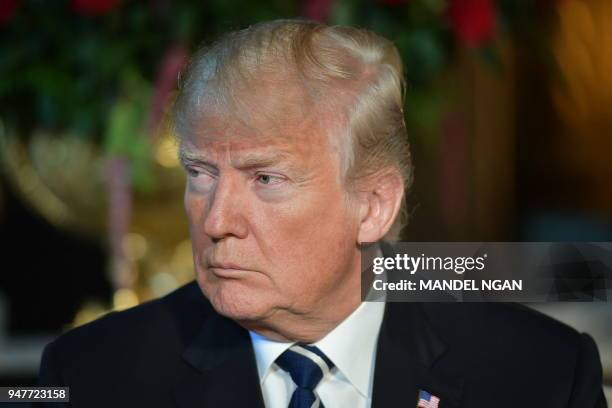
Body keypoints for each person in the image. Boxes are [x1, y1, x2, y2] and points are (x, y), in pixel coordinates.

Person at [38, 20, 607, 407]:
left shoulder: (542, 376)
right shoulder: (92, 377)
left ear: (373, 205)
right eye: (200, 175)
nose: (215, 222)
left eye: (265, 179)